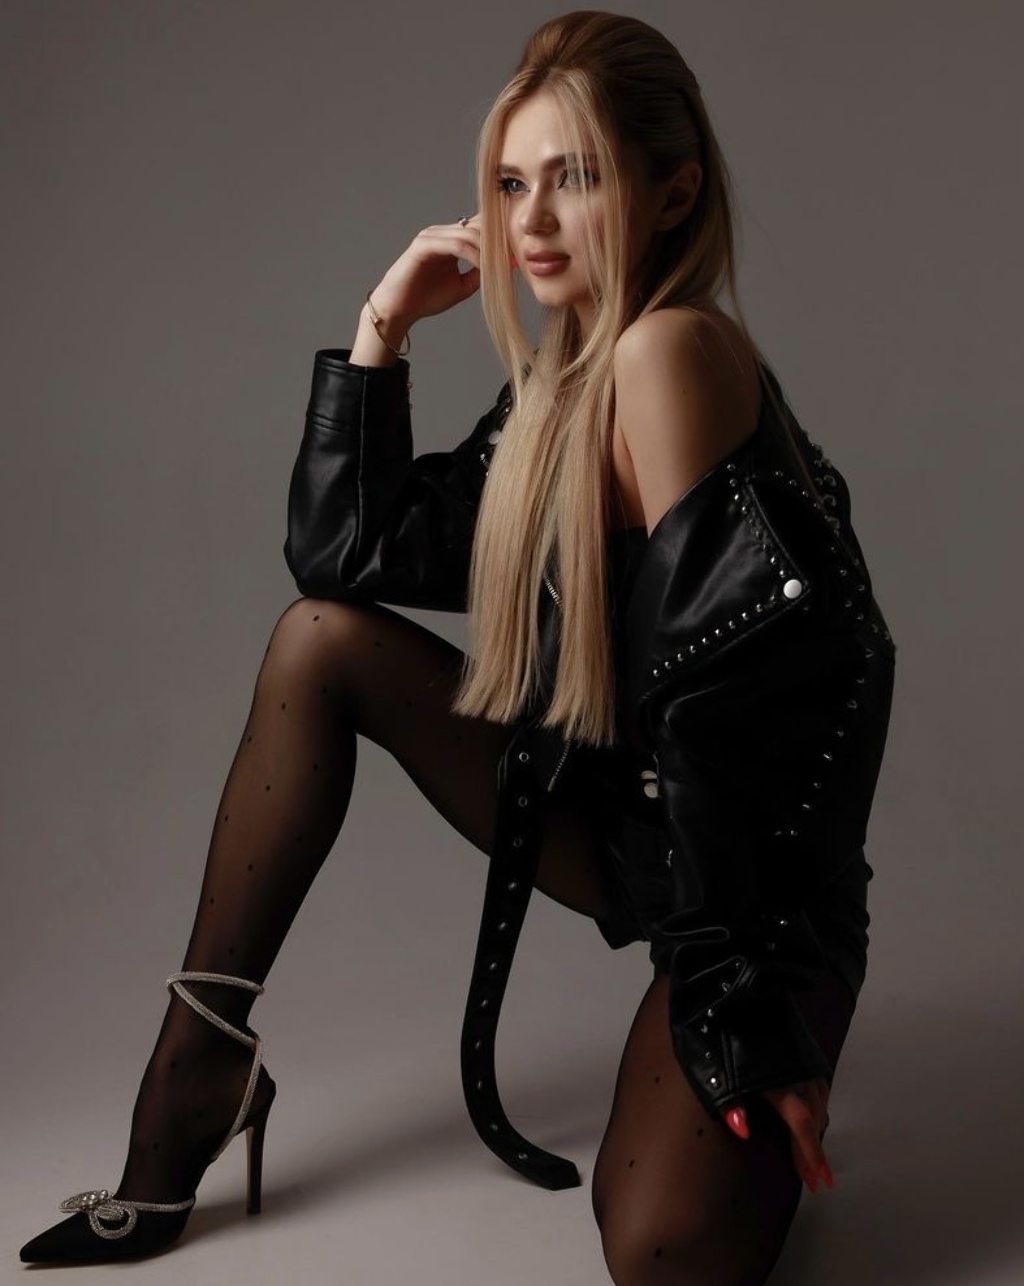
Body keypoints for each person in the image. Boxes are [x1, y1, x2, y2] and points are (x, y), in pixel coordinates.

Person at [19, 10, 896, 1284]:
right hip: (628, 830)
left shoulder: (672, 354)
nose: (530, 220)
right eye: (509, 181)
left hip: (759, 894)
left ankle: (765, 1063)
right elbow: (343, 560)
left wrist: (747, 1015)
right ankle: (198, 1064)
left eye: (574, 176)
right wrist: (381, 326)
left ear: (672, 193)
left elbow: (727, 721)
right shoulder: (556, 392)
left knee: (660, 1248)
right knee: (318, 644)